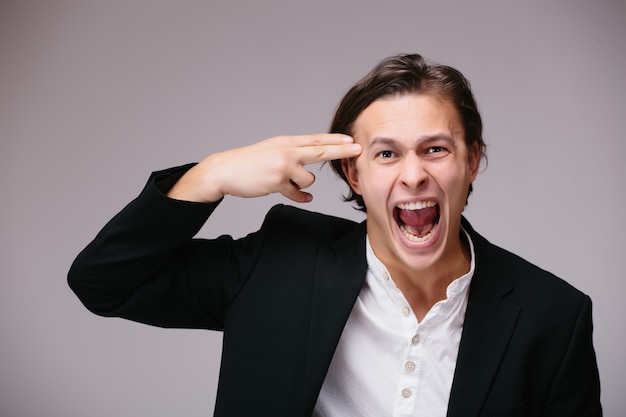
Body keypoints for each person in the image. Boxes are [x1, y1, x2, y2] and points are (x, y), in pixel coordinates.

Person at [68, 53, 602, 416]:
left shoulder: (552, 316)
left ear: (472, 162)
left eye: (435, 149)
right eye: (386, 153)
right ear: (355, 174)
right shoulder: (278, 265)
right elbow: (104, 282)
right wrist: (212, 174)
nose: (412, 175)